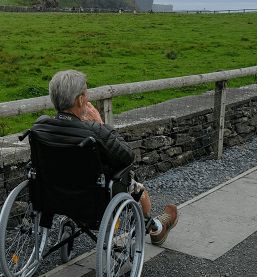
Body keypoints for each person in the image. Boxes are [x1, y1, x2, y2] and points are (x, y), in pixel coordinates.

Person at [40, 69, 178, 245]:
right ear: (81, 100)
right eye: (86, 95)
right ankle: (155, 226)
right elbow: (127, 156)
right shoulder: (95, 130)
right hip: (96, 198)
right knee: (136, 186)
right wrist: (101, 124)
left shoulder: (42, 127)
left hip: (56, 195)